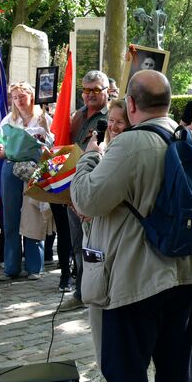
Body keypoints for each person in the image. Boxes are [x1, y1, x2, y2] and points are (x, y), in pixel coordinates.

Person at [68, 70, 192, 382]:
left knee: (127, 378)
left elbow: (88, 199)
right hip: (185, 272)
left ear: (130, 105)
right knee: (173, 372)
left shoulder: (130, 144)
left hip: (136, 279)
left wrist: (90, 158)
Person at [77, 98, 133, 382]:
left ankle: (139, 368)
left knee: (126, 311)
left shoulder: (130, 154)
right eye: (110, 121)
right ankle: (103, 369)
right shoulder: (103, 150)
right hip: (94, 240)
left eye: (119, 121)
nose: (112, 126)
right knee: (95, 306)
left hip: (120, 244)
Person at [52, 70, 111, 305]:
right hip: (73, 188)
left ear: (107, 90)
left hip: (97, 187)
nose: (90, 95)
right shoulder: (77, 116)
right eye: (86, 90)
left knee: (98, 244)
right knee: (78, 244)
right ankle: (81, 290)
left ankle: (101, 290)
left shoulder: (115, 116)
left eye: (96, 89)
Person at [0, 82, 53, 281]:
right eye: (15, 97)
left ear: (31, 96)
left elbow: (51, 148)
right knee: (10, 218)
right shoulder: (9, 120)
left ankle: (35, 266)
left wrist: (45, 133)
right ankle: (11, 267)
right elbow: (0, 149)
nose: (18, 101)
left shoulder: (43, 118)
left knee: (33, 214)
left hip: (34, 170)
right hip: (11, 169)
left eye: (22, 96)